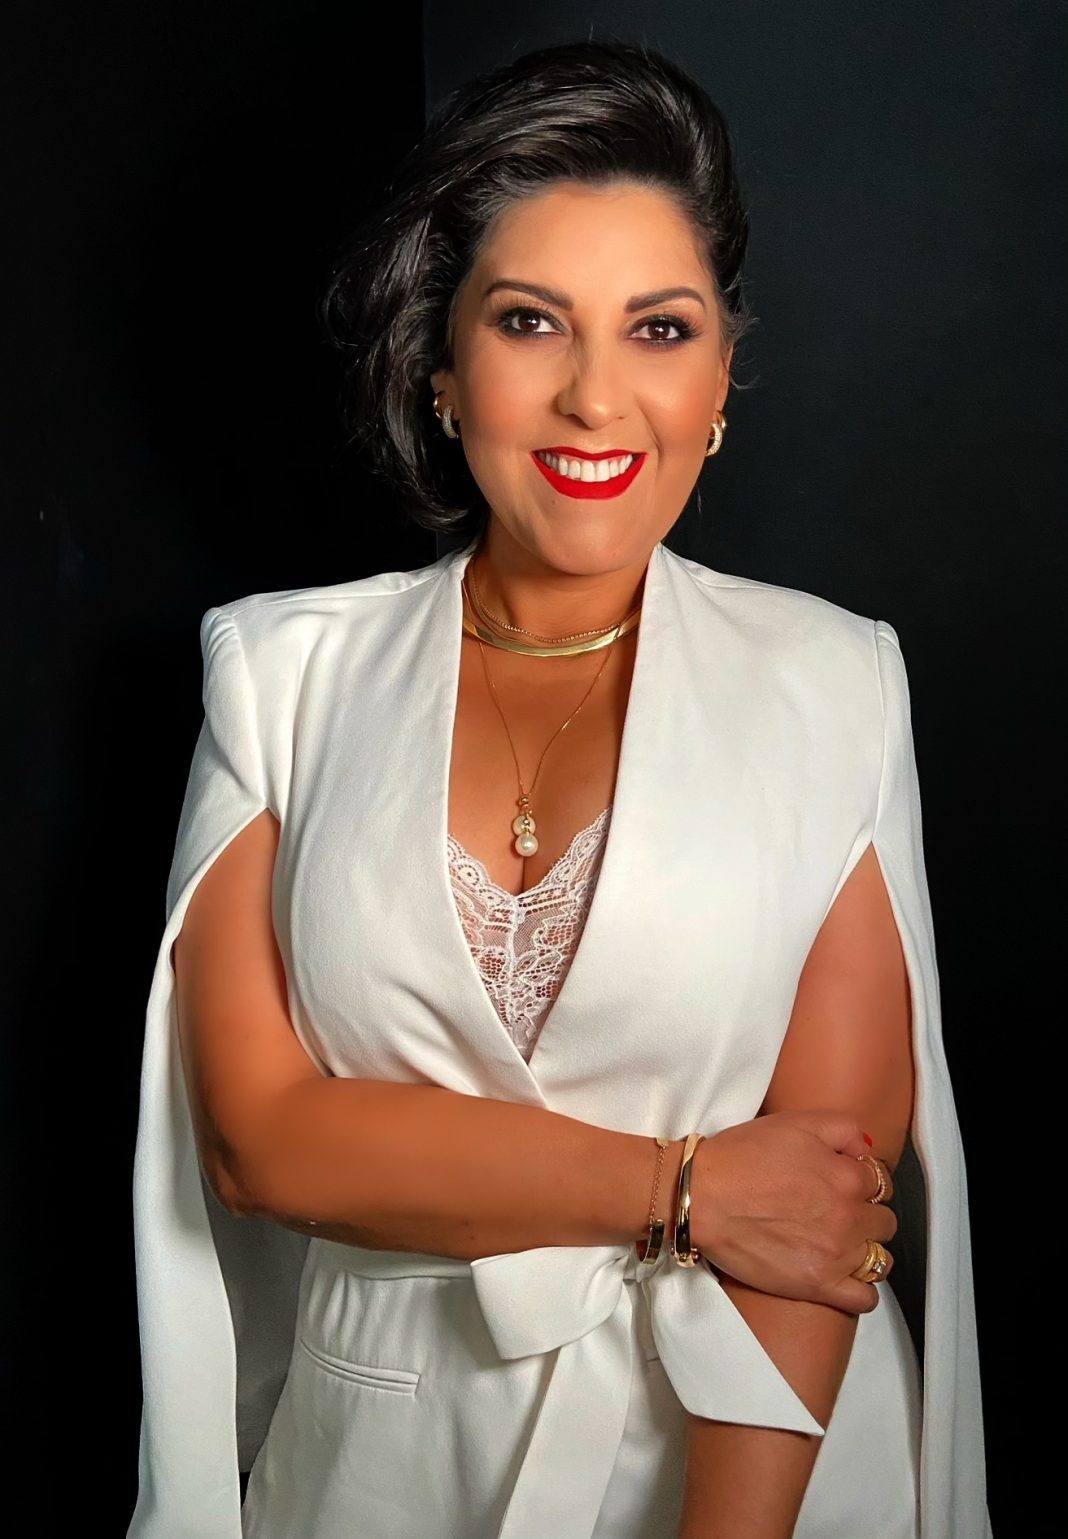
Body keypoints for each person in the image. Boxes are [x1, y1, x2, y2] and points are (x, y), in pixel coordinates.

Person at [127, 38, 989, 1539]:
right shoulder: (278, 673)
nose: (597, 398)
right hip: (378, 1468)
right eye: (531, 322)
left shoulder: (833, 680)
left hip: (749, 1472)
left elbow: (824, 1210)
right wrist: (680, 1188)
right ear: (443, 369)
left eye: (660, 330)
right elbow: (260, 1140)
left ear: (720, 382)